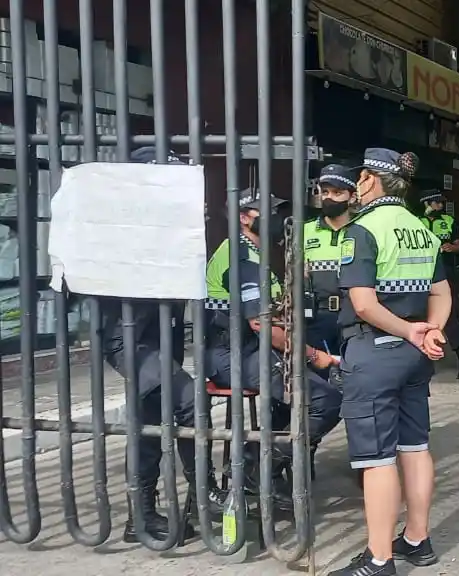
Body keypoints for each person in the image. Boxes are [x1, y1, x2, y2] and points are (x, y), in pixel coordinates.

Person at [329, 148, 451, 576]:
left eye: (359, 179)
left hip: (375, 351)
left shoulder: (362, 231)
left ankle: (379, 559)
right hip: (416, 356)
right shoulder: (421, 228)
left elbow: (363, 304)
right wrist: (429, 330)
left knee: (376, 459)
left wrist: (407, 330)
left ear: (368, 180)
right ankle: (417, 540)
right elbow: (442, 293)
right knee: (415, 447)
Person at [108, 146, 224, 544]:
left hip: (161, 337)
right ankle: (206, 497)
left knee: (150, 426)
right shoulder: (128, 224)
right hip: (131, 339)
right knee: (191, 400)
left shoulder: (168, 225)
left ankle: (139, 518)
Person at [203, 187, 342, 506]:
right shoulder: (240, 258)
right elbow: (260, 323)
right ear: (243, 218)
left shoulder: (253, 254)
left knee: (301, 396)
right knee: (324, 400)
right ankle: (256, 467)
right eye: (266, 212)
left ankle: (263, 463)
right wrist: (311, 355)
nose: (275, 219)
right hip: (233, 355)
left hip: (252, 350)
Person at [304, 164, 358, 365]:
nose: (329, 197)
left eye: (337, 192)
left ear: (352, 197)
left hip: (355, 316)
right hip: (317, 318)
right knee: (319, 381)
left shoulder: (363, 231)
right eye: (325, 191)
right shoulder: (304, 231)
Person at [420, 190, 459, 379]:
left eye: (441, 203)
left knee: (450, 317)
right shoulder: (416, 223)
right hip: (420, 275)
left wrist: (452, 247)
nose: (440, 206)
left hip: (445, 274)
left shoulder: (449, 221)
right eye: (436, 203)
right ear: (427, 204)